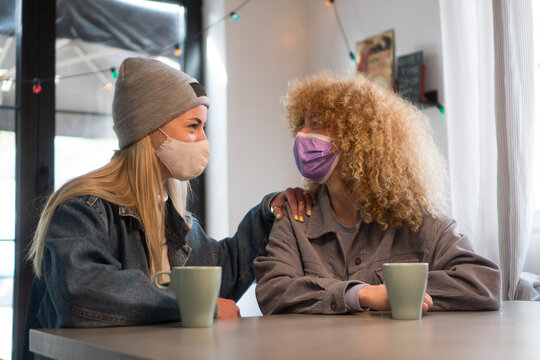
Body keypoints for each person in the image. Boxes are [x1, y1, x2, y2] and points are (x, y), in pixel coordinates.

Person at [22, 57, 312, 359]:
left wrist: (268, 213)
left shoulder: (175, 219)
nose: (203, 140)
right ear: (150, 129)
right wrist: (199, 307)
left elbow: (220, 270)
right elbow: (81, 290)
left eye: (203, 127)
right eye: (193, 126)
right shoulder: (82, 209)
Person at [255, 71, 502, 315]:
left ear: (357, 137)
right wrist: (360, 294)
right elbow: (272, 291)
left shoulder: (419, 220)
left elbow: (484, 283)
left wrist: (399, 292)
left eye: (316, 124)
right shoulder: (294, 218)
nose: (302, 135)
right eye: (303, 124)